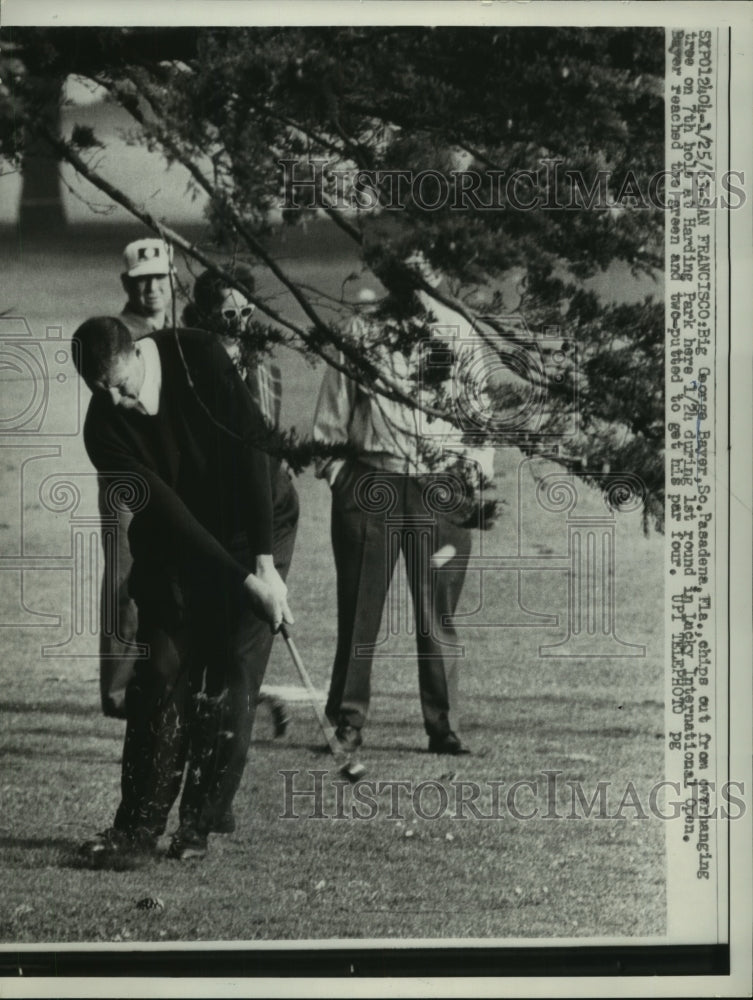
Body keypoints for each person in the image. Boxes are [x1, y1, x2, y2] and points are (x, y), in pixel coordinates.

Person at [73, 316, 293, 863]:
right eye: (101, 392)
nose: (116, 402)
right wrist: (241, 580)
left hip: (254, 518)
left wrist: (262, 569)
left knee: (232, 669)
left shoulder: (198, 357)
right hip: (178, 537)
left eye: (120, 386)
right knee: (162, 667)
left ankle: (199, 822)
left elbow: (252, 454)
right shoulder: (103, 430)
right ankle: (137, 828)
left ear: (136, 354)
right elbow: (171, 518)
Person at [313, 254, 495, 756]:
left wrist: (473, 478)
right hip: (373, 482)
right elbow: (331, 416)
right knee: (360, 611)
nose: (415, 285)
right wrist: (339, 477)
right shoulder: (362, 329)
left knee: (438, 613)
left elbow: (479, 415)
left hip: (440, 488)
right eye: (404, 275)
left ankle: (444, 725)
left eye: (424, 274)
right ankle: (347, 720)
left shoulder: (459, 331)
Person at [183, 266, 299, 738]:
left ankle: (229, 733)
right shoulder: (191, 370)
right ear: (207, 315)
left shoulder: (265, 368)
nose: (240, 321)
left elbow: (265, 446)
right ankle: (209, 723)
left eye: (247, 311)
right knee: (209, 640)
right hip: (211, 520)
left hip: (268, 518)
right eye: (228, 313)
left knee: (244, 642)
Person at [99, 238, 174, 718]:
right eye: (141, 280)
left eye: (159, 278)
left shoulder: (177, 331)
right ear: (128, 284)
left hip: (170, 471)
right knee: (127, 576)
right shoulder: (114, 335)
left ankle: (160, 671)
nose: (151, 288)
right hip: (127, 473)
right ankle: (119, 688)